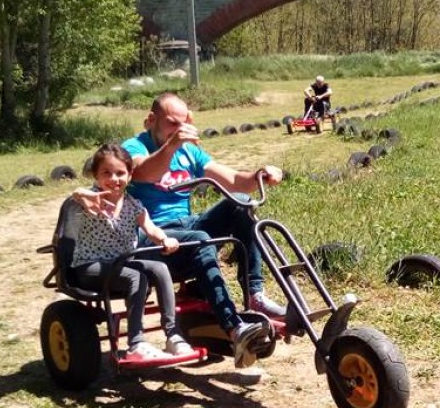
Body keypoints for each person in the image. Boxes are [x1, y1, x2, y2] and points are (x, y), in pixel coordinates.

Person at [123, 92, 287, 368]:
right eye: (172, 123)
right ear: (151, 120)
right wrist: (173, 146)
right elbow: (143, 173)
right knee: (200, 239)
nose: (179, 130)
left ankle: (254, 295)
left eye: (183, 123)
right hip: (152, 238)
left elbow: (233, 179)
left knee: (242, 204)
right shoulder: (134, 147)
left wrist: (260, 174)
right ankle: (234, 328)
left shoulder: (189, 151)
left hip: (186, 228)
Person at [68, 143, 195, 361]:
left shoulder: (133, 205)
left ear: (130, 175)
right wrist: (81, 193)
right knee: (136, 275)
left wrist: (165, 239)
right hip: (90, 266)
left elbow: (152, 228)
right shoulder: (90, 200)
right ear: (96, 176)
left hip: (121, 263)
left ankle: (173, 335)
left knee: (160, 267)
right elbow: (76, 196)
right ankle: (136, 343)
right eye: (106, 173)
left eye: (120, 173)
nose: (114, 179)